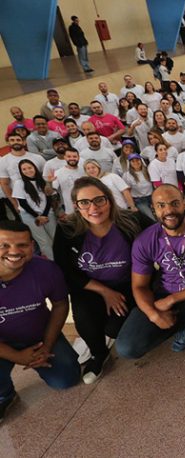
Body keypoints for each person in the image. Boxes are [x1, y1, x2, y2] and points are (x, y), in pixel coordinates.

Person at [115, 185, 185, 390]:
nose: (169, 210)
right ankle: (184, 324)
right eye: (161, 205)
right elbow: (139, 285)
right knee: (126, 347)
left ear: (184, 204)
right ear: (153, 209)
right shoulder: (145, 240)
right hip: (165, 290)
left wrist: (173, 300)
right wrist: (153, 314)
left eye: (175, 203)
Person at [53, 177, 151, 384]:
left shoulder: (131, 221)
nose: (93, 208)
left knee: (113, 329)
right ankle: (99, 354)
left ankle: (108, 334)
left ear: (109, 200)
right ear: (76, 206)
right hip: (88, 287)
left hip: (128, 285)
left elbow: (162, 234)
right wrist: (105, 292)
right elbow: (65, 270)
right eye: (85, 203)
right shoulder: (66, 230)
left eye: (99, 200)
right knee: (85, 320)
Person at [0, 220, 80, 422]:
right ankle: (5, 396)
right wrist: (18, 356)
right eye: (4, 245)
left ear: (32, 246)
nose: (14, 251)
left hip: (39, 336)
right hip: (3, 344)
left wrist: (47, 345)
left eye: (22, 245)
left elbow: (60, 304)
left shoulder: (46, 269)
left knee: (66, 379)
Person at [12, 159, 57, 259]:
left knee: (55, 237)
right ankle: (52, 262)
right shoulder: (19, 183)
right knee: (44, 241)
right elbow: (23, 203)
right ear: (21, 171)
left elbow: (49, 197)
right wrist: (37, 217)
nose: (28, 171)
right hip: (30, 215)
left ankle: (61, 259)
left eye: (30, 168)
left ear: (35, 168)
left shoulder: (43, 180)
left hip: (47, 212)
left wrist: (44, 215)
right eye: (24, 169)